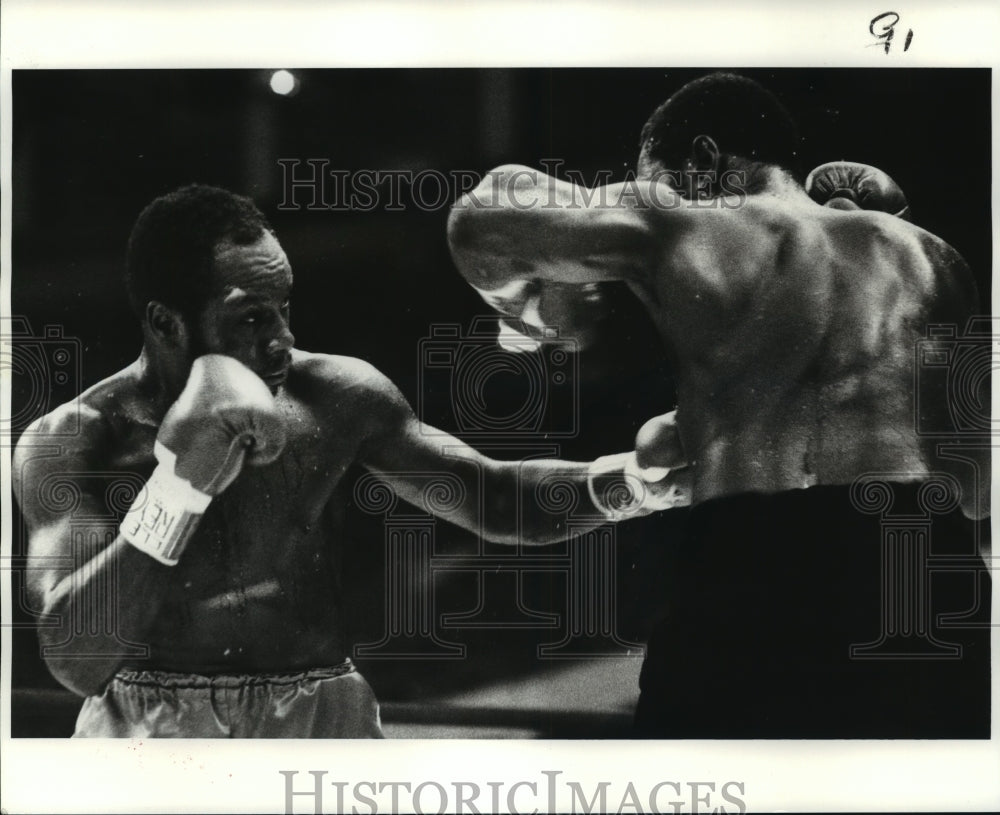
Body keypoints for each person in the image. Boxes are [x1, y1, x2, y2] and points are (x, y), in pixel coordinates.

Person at [12, 184, 691, 738]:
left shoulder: (336, 396)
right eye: (251, 319)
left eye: (285, 307)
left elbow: (497, 499)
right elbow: (77, 656)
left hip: (318, 713)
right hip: (152, 730)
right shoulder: (75, 441)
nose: (282, 339)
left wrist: (635, 483)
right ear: (165, 324)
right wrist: (178, 489)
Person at [447, 72, 991, 737]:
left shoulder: (673, 219)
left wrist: (526, 312)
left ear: (704, 157)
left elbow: (480, 219)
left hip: (754, 559)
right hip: (921, 567)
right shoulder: (937, 257)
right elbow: (977, 480)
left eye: (658, 177)